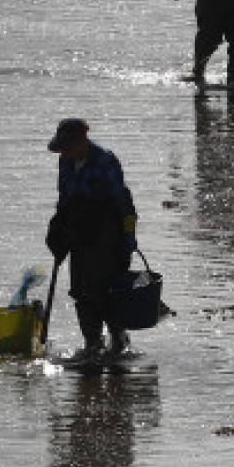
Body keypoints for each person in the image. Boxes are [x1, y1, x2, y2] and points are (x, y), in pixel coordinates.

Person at [45, 118, 138, 363]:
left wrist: (129, 235)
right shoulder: (65, 160)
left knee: (101, 290)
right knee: (80, 290)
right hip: (78, 230)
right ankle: (92, 344)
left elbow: (123, 201)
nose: (64, 153)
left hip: (107, 232)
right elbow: (64, 198)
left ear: (82, 140)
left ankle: (118, 340)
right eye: (61, 149)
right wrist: (57, 230)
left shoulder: (105, 160)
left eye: (68, 147)